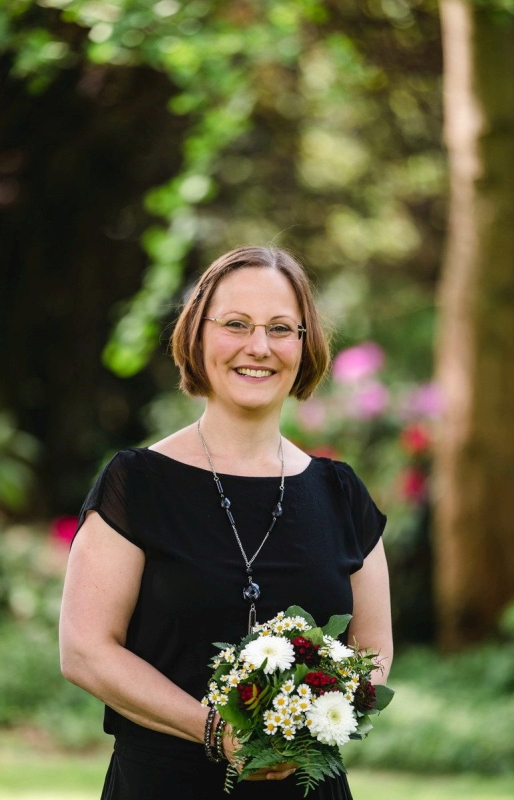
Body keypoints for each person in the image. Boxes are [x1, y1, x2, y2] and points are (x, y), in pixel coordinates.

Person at [59, 245, 393, 800]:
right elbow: (85, 651)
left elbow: (373, 653)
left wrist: (315, 722)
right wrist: (216, 731)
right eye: (236, 324)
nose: (258, 347)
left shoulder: (342, 494)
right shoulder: (137, 483)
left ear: (304, 345)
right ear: (197, 336)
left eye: (281, 328)